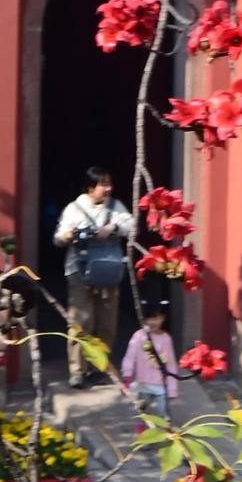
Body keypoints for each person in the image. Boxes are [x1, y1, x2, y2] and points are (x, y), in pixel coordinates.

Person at [54, 167, 133, 388]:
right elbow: (58, 238)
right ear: (90, 187)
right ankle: (78, 370)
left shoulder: (116, 207)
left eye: (109, 184)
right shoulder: (74, 209)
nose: (108, 188)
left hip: (109, 272)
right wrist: (69, 235)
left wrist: (113, 227)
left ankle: (99, 366)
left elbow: (131, 225)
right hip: (79, 273)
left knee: (107, 324)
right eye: (103, 184)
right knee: (81, 322)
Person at [121, 302, 179, 413]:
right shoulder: (139, 336)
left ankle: (165, 428)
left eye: (156, 318)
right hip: (143, 383)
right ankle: (141, 429)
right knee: (142, 410)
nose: (153, 322)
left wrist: (172, 389)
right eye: (149, 318)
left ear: (163, 318)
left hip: (160, 384)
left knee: (163, 413)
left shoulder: (166, 339)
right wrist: (127, 376)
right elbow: (130, 356)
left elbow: (171, 365)